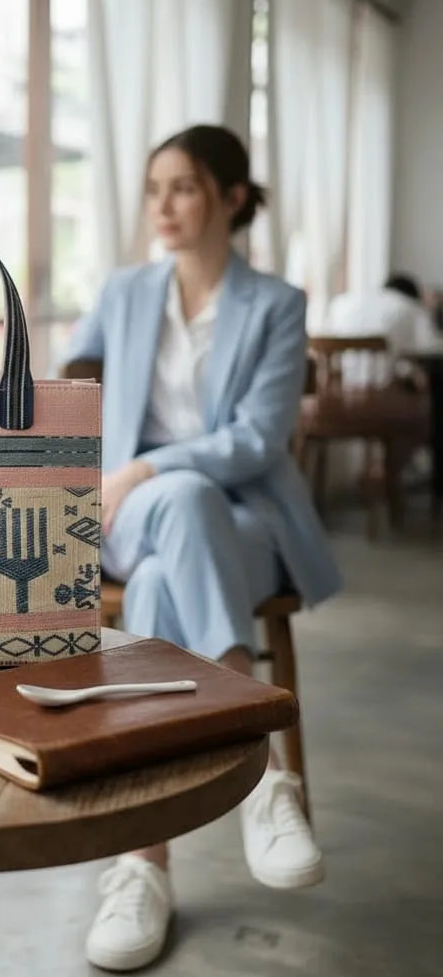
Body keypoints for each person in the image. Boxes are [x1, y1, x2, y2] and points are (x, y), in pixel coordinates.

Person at [63, 124, 342, 973]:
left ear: (230, 197)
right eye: (154, 189)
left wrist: (149, 465)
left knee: (157, 581)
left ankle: (142, 866)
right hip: (129, 512)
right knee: (175, 512)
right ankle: (262, 769)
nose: (164, 205)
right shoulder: (123, 292)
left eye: (182, 187)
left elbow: (258, 438)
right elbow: (66, 387)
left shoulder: (277, 304)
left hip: (244, 518)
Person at [324, 272, 443, 388]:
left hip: (337, 389)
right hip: (384, 390)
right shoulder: (410, 306)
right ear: (413, 295)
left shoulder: (343, 302)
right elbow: (432, 347)